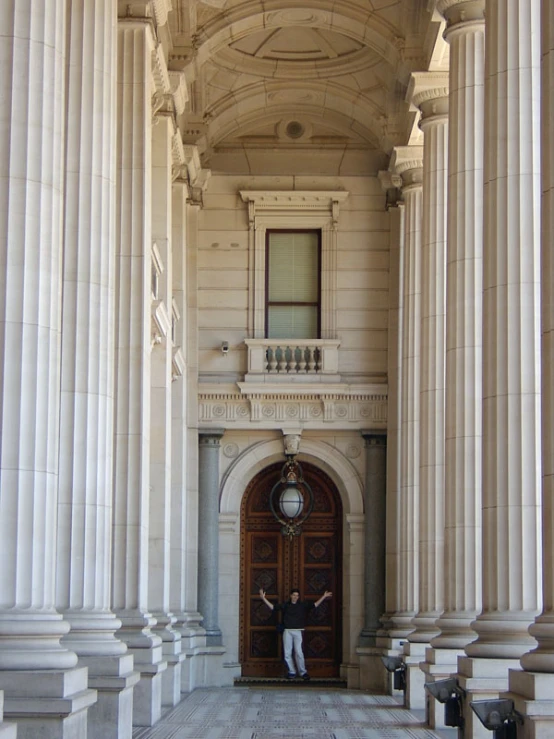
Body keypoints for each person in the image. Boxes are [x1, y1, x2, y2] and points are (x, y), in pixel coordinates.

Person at [259, 587, 332, 680]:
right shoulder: (286, 605)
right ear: (291, 596)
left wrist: (324, 596)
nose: (295, 597)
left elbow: (315, 605)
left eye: (297, 595)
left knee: (299, 652)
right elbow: (273, 607)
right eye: (294, 595)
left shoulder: (302, 605)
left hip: (298, 631)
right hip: (287, 631)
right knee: (287, 653)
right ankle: (292, 672)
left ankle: (303, 672)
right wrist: (263, 598)